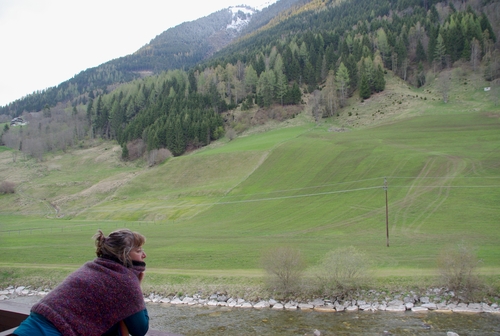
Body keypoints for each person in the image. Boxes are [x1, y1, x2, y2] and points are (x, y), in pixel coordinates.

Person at [14, 229, 149, 336]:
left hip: (26, 328)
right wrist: (137, 286)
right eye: (138, 251)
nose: (144, 255)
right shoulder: (125, 280)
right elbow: (140, 329)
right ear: (123, 255)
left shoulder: (92, 267)